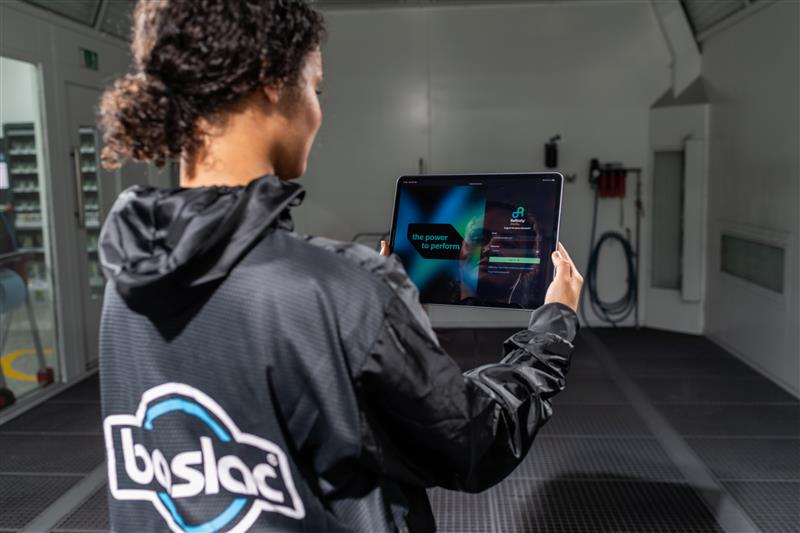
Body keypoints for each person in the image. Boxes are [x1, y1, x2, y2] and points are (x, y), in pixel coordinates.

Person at [97, 1, 584, 532]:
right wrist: (550, 332)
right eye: (315, 88)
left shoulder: (128, 279)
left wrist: (378, 311)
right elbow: (470, 441)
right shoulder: (339, 293)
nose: (317, 112)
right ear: (270, 79)